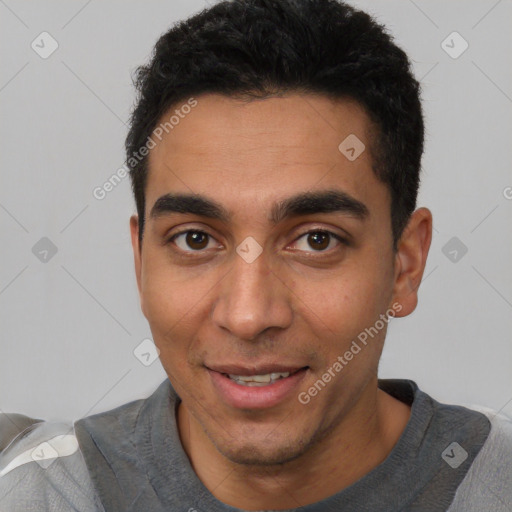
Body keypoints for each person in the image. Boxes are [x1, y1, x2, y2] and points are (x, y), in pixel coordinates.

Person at [1, 0, 511, 510]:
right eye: (195, 239)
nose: (248, 317)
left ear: (405, 265)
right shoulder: (30, 489)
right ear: (140, 263)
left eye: (317, 240)